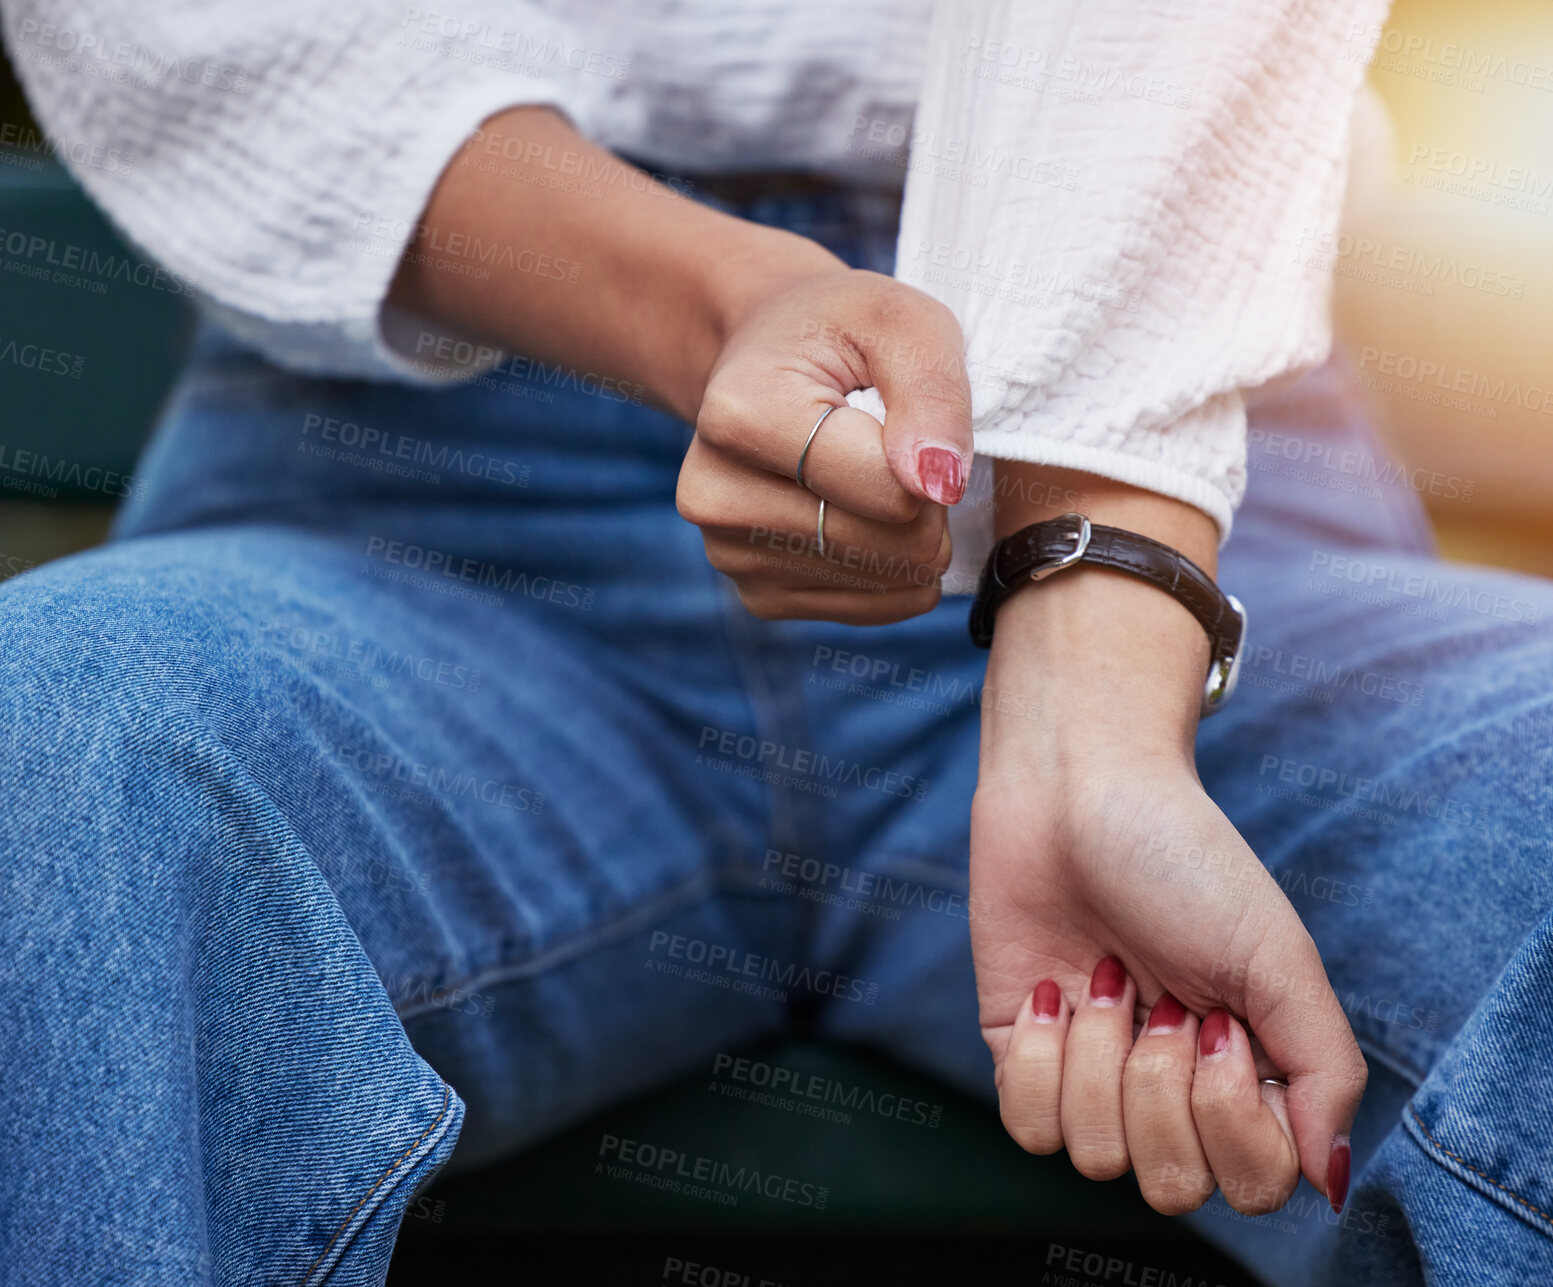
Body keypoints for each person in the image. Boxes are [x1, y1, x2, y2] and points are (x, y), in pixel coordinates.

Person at [2, 1, 1549, 1284]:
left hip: (1178, 469)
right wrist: (739, 305)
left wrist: (1096, 659)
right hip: (426, 496)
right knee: (54, 756)